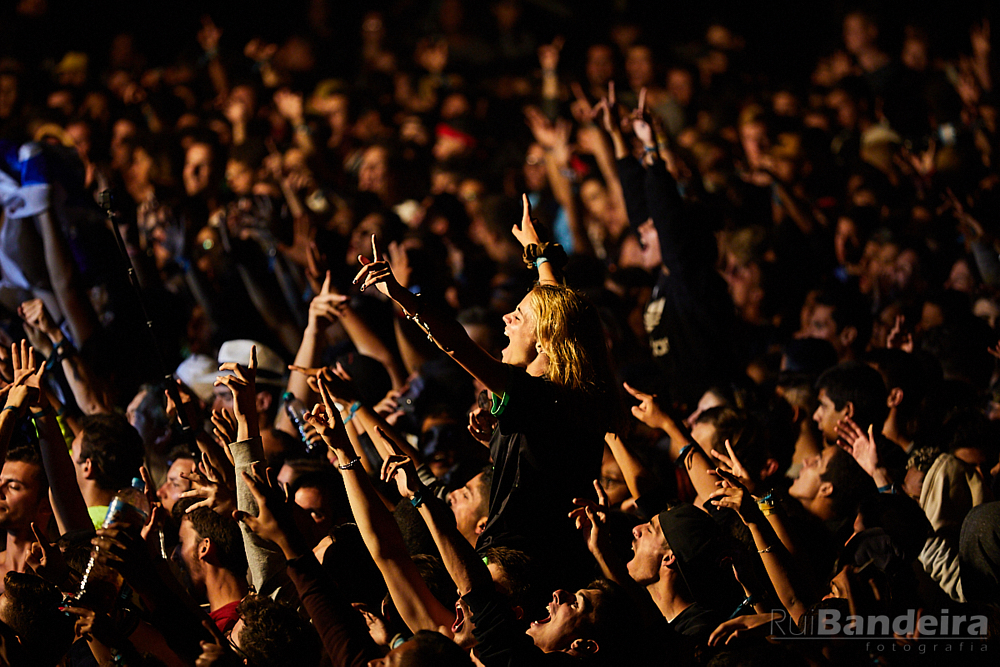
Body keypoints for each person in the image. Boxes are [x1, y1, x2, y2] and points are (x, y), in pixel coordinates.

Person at [354, 207, 619, 588]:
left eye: (519, 316)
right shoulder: (568, 394)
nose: (507, 319)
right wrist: (540, 256)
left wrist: (403, 297)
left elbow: (459, 345)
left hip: (521, 570)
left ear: (545, 339)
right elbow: (563, 317)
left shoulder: (540, 397)